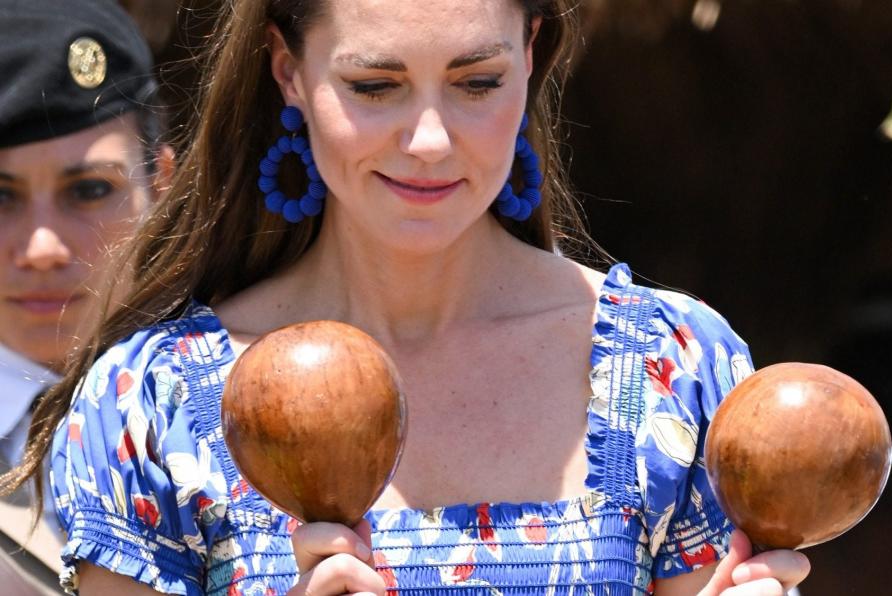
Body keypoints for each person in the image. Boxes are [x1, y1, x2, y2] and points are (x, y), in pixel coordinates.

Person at [3, 0, 810, 594]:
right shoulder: (151, 401)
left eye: (477, 80)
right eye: (376, 85)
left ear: (530, 56)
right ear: (288, 71)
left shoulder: (677, 368)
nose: (428, 140)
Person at [0, 0, 172, 591]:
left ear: (163, 183)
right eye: (0, 198)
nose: (42, 247)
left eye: (91, 189)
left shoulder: (236, 406)